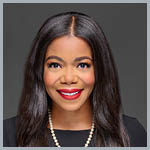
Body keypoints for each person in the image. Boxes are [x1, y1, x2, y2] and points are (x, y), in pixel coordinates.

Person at [3, 11, 146, 147]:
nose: (69, 78)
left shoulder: (130, 133)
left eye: (83, 65)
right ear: (39, 70)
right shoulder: (8, 135)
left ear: (100, 70)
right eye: (55, 65)